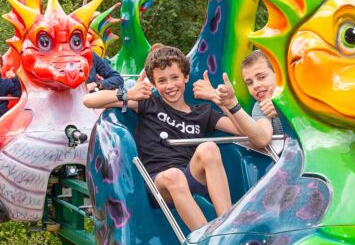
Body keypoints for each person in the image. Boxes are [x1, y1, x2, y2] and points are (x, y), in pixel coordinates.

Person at [83, 44, 268, 230]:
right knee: (174, 176)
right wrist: (127, 93)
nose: (170, 86)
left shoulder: (203, 113)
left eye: (174, 78)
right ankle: (206, 238)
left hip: (190, 176)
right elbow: (89, 101)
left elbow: (243, 130)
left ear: (185, 77)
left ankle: (227, 226)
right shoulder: (148, 103)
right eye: (162, 81)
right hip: (158, 184)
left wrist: (218, 99)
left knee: (209, 148)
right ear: (154, 84)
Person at [193, 49, 284, 153]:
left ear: (278, 73)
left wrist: (283, 111)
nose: (256, 85)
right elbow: (262, 139)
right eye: (249, 83)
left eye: (262, 77)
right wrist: (232, 104)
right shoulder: (260, 106)